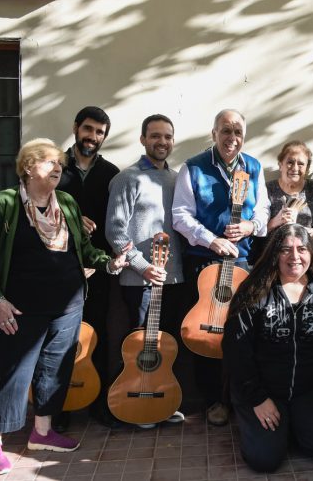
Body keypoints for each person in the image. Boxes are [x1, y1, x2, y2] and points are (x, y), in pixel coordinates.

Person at [0, 138, 130, 476]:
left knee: (55, 370)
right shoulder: (3, 204)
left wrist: (111, 264)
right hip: (19, 308)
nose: (57, 168)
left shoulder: (67, 203)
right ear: (28, 167)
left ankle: (42, 433)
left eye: (59, 164)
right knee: (12, 371)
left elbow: (84, 251)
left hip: (68, 305)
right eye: (48, 162)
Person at [222, 224, 313, 472]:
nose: (294, 257)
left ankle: (290, 425)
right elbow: (236, 351)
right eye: (285, 250)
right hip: (263, 391)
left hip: (309, 390)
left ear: (311, 254)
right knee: (264, 460)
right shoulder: (254, 291)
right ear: (274, 254)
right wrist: (258, 398)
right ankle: (268, 426)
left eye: (301, 249)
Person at [172, 109, 270, 426]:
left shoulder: (253, 167)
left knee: (241, 334)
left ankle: (240, 397)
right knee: (206, 334)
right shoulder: (193, 168)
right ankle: (213, 399)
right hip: (203, 263)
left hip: (241, 262)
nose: (232, 138)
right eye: (225, 131)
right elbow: (180, 215)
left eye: (237, 131)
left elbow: (265, 212)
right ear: (214, 133)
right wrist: (210, 239)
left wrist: (250, 226)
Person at [105, 114, 186, 427]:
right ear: (143, 139)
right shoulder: (127, 179)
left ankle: (162, 401)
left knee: (167, 347)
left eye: (167, 136)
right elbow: (115, 232)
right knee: (140, 346)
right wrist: (142, 266)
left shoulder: (178, 178)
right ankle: (135, 402)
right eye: (155, 136)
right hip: (138, 280)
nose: (161, 142)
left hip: (174, 277)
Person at [55, 106, 121, 430]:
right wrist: (69, 216)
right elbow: (34, 205)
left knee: (99, 334)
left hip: (98, 268)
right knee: (61, 337)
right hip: (59, 270)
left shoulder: (111, 173)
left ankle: (98, 403)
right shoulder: (54, 167)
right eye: (88, 129)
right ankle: (60, 406)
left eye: (99, 132)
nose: (92, 137)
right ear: (76, 128)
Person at [249, 140, 313, 262]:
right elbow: (254, 230)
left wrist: (304, 231)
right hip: (271, 259)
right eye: (290, 162)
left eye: (301, 164)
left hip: (305, 259)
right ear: (280, 165)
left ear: (307, 168)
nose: (295, 168)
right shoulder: (266, 190)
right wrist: (276, 221)